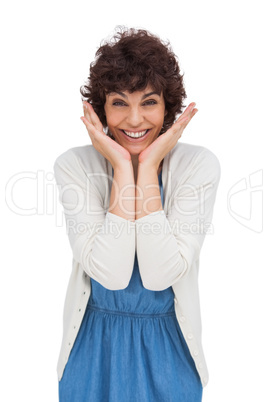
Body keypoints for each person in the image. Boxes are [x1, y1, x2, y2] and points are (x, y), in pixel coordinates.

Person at [54, 27, 221, 402]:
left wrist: (146, 168)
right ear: (100, 108)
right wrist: (122, 168)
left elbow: (162, 273)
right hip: (94, 349)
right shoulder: (75, 166)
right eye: (118, 103)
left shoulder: (198, 166)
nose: (133, 120)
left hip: (168, 351)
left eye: (148, 102)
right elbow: (110, 275)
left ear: (167, 107)